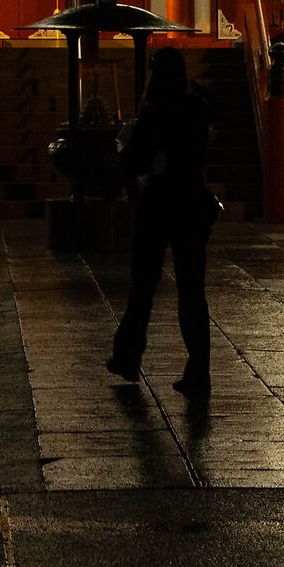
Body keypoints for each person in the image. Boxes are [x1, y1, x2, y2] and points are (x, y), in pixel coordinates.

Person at [106, 49, 218, 398]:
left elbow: (136, 160)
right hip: (192, 202)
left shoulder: (155, 111)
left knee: (143, 286)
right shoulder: (196, 107)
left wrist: (120, 161)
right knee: (191, 290)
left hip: (159, 204)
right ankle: (199, 370)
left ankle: (128, 356)